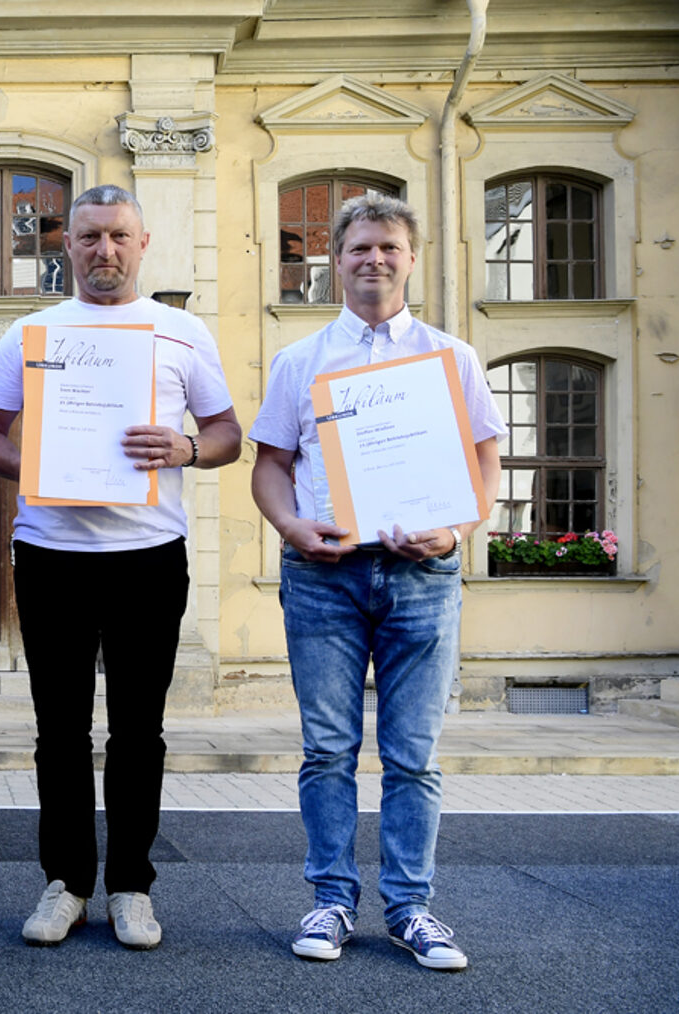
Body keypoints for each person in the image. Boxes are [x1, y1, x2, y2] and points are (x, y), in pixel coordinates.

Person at [0, 184, 242, 950]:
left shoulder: (181, 331)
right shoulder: (28, 332)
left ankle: (131, 885)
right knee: (58, 730)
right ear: (66, 245)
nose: (105, 251)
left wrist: (188, 448)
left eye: (119, 237)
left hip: (149, 556)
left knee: (139, 731)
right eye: (89, 237)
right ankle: (65, 884)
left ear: (143, 242)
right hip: (52, 556)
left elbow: (226, 432)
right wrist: (35, 461)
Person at [249, 192, 504, 971]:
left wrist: (457, 527)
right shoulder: (300, 362)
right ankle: (330, 899)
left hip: (423, 575)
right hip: (324, 576)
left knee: (413, 754)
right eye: (360, 248)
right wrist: (293, 528)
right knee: (327, 747)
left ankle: (409, 908)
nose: (375, 260)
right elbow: (269, 470)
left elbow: (486, 463)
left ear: (411, 257)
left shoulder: (449, 357)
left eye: (390, 247)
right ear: (337, 259)